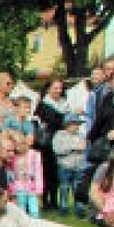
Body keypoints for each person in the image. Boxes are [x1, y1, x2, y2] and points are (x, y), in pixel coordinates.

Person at [35, 79, 68, 211]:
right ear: (48, 89)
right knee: (45, 172)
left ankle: (55, 201)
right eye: (55, 88)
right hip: (45, 144)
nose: (58, 91)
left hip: (60, 142)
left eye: (60, 88)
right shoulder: (42, 105)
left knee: (55, 174)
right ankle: (46, 201)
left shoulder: (64, 104)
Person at [52, 113, 86, 214]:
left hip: (78, 166)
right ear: (67, 124)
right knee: (64, 186)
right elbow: (57, 150)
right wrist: (72, 148)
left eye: (78, 124)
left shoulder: (81, 135)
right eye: (74, 124)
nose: (77, 126)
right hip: (64, 166)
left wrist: (80, 148)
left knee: (77, 186)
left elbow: (83, 147)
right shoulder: (59, 135)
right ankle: (63, 206)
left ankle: (79, 207)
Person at [6, 128, 43, 217]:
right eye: (16, 146)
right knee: (20, 208)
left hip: (32, 186)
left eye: (22, 144)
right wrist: (11, 188)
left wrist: (39, 188)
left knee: (34, 209)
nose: (19, 148)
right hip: (18, 186)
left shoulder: (34, 155)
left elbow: (38, 172)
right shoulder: (12, 157)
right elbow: (10, 174)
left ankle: (34, 224)